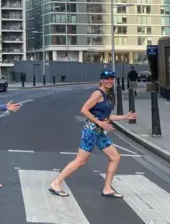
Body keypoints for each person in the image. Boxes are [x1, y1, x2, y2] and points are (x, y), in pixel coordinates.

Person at [49, 70, 136, 198]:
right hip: (91, 130)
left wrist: (124, 117)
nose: (109, 81)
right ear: (101, 80)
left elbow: (106, 116)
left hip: (99, 132)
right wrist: (100, 123)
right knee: (81, 160)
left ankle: (107, 188)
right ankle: (56, 183)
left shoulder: (106, 95)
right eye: (106, 79)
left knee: (115, 157)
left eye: (111, 79)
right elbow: (84, 110)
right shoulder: (97, 93)